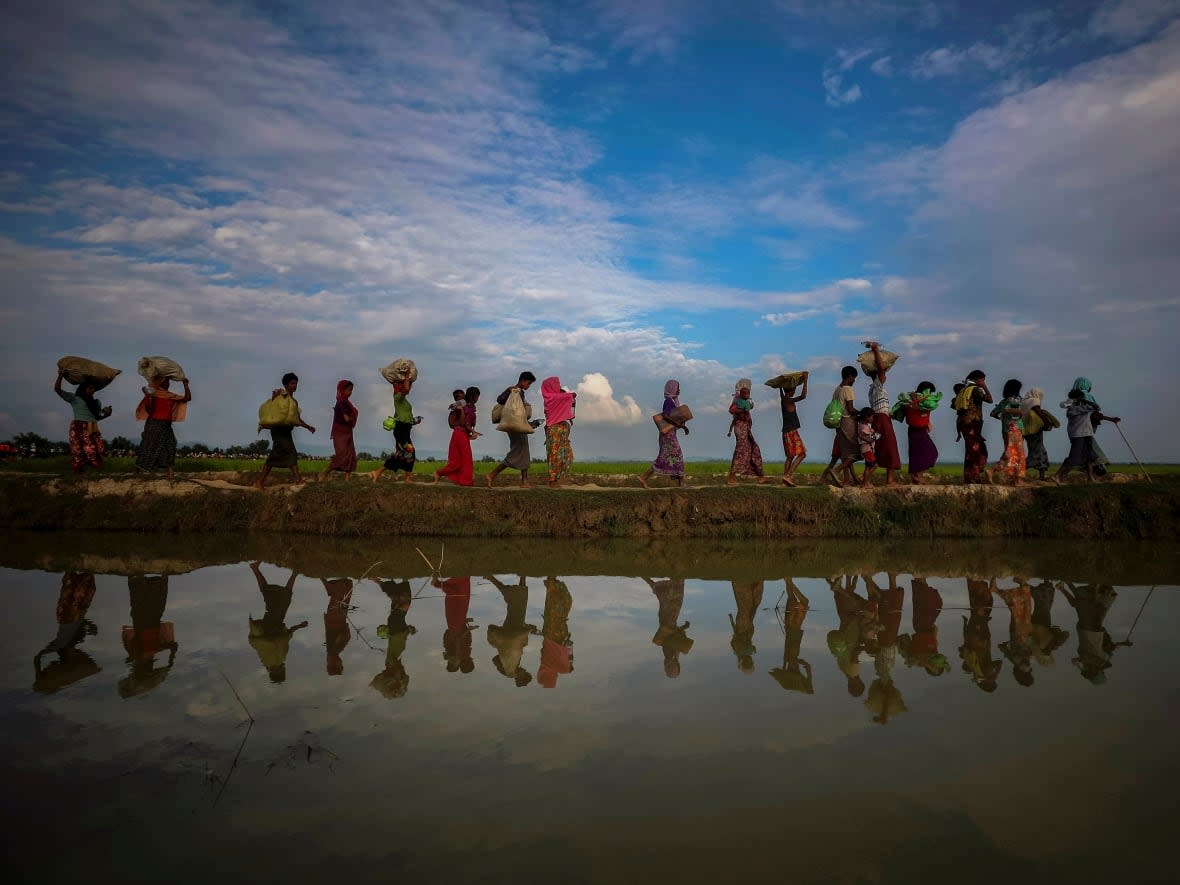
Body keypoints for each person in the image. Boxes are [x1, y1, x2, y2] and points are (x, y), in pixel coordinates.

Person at [34, 572, 101, 694]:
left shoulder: (62, 643)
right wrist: (90, 625)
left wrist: (39, 670)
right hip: (74, 611)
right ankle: (77, 572)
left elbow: (37, 658)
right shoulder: (72, 641)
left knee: (76, 589)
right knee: (82, 588)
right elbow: (80, 621)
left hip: (69, 613)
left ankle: (75, 572)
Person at [119, 574, 179, 698]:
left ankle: (143, 579)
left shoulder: (145, 652)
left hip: (147, 621)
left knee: (146, 602)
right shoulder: (142, 653)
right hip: (146, 621)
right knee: (144, 601)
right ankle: (139, 579)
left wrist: (172, 656)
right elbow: (173, 647)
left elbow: (173, 648)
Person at [247, 563, 308, 683]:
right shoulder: (275, 660)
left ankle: (294, 572)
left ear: (277, 671)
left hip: (271, 624)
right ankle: (256, 569)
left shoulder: (273, 660)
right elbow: (287, 636)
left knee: (283, 597)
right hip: (275, 622)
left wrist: (273, 638)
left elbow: (277, 640)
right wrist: (300, 626)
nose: (283, 668)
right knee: (277, 597)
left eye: (282, 671)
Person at [1059, 582, 1128, 685]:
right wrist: (1123, 644)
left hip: (1088, 629)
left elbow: (1078, 660)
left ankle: (1092, 587)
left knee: (1083, 605)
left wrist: (1082, 666)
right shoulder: (1099, 661)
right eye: (1093, 674)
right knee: (1083, 606)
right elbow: (1110, 650)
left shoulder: (1088, 660)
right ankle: (1092, 587)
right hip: (1091, 629)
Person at [255, 373, 316, 489]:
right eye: (292, 383)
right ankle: (298, 479)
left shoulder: (294, 401)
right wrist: (275, 395)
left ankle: (259, 482)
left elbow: (296, 419)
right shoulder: (280, 396)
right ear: (285, 385)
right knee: (291, 452)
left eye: (296, 383)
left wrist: (308, 427)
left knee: (275, 455)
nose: (295, 385)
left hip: (287, 431)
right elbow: (273, 409)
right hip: (278, 431)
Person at [1054, 383, 1120, 483]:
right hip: (1078, 435)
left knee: (1089, 456)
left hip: (1086, 433)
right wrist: (1081, 400)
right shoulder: (1075, 408)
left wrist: (1080, 400)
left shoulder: (1079, 406)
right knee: (1074, 457)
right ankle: (1057, 476)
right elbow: (1096, 407)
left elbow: (1095, 409)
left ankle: (1090, 478)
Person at [487, 372, 542, 487]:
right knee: (519, 451)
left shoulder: (518, 392)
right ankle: (493, 474)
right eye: (529, 383)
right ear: (523, 380)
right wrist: (509, 390)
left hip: (515, 425)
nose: (529, 386)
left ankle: (524, 480)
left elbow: (517, 413)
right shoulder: (515, 391)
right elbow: (500, 400)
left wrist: (528, 424)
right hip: (515, 427)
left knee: (523, 451)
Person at [54, 368, 112, 474]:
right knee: (78, 449)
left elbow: (97, 417)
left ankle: (92, 470)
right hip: (78, 426)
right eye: (90, 388)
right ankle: (79, 471)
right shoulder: (75, 399)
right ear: (83, 388)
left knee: (95, 449)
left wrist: (107, 414)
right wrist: (60, 376)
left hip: (92, 426)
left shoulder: (96, 403)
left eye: (93, 388)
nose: (92, 390)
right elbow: (58, 390)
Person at [485, 574, 538, 686]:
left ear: (521, 676)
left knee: (518, 604)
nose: (524, 669)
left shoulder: (512, 666)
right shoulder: (508, 670)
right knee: (517, 606)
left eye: (525, 672)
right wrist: (502, 650)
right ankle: (521, 577)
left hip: (511, 634)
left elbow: (515, 640)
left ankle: (521, 576)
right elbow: (495, 659)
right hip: (503, 633)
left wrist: (529, 630)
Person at [134, 375, 191, 479]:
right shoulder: (152, 394)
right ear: (160, 382)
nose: (168, 384)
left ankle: (170, 471)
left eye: (169, 382)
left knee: (171, 444)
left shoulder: (169, 395)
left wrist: (185, 385)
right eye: (166, 381)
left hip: (166, 425)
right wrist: (150, 396)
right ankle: (137, 470)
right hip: (154, 424)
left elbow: (187, 398)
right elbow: (150, 410)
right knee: (148, 446)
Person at [862, 342, 901, 486]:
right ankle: (889, 480)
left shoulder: (873, 389)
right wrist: (875, 349)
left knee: (878, 448)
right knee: (890, 447)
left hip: (880, 419)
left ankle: (866, 480)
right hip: (881, 420)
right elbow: (882, 369)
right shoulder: (877, 386)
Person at [370, 375, 421, 484]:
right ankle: (379, 472)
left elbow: (402, 416)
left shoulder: (403, 401)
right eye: (408, 385)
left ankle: (380, 473)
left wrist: (414, 421)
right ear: (401, 386)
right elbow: (406, 389)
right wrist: (407, 376)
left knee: (402, 453)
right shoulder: (397, 396)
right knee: (409, 451)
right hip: (401, 430)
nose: (410, 387)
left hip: (404, 429)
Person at [639, 379, 689, 488]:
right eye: (677, 388)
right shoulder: (669, 401)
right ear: (672, 389)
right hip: (668, 435)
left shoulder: (673, 401)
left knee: (667, 457)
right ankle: (681, 482)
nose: (679, 390)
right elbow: (667, 415)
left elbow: (673, 418)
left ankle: (644, 478)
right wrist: (678, 423)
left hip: (670, 433)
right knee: (677, 455)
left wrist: (682, 426)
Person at [371, 579, 415, 699]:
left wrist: (398, 679)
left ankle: (380, 581)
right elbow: (402, 640)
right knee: (400, 600)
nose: (402, 674)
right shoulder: (398, 657)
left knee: (403, 602)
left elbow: (395, 664)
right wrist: (409, 630)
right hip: (399, 628)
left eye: (399, 675)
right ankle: (401, 580)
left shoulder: (391, 662)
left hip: (395, 626)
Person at [898, 576, 950, 676]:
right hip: (928, 624)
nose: (935, 666)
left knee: (925, 601)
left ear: (929, 669)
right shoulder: (934, 653)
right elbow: (935, 632)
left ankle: (919, 576)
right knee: (934, 602)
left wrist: (928, 664)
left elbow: (912, 657)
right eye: (938, 668)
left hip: (921, 625)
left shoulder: (918, 661)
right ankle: (921, 577)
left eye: (934, 669)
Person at [644, 577, 693, 678]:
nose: (676, 666)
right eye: (676, 668)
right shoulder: (673, 655)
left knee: (671, 597)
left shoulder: (669, 654)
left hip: (668, 619)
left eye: (674, 668)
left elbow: (671, 637)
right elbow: (674, 636)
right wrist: (683, 628)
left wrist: (683, 628)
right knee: (664, 598)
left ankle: (676, 578)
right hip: (669, 619)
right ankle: (648, 579)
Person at [769, 579, 812, 693]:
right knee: (791, 598)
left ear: (795, 670)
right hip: (789, 627)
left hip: (795, 628)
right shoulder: (787, 658)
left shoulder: (792, 657)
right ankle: (787, 578)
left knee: (804, 601)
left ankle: (789, 580)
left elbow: (808, 666)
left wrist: (801, 663)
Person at [960, 578, 1002, 692]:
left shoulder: (986, 672)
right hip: (973, 633)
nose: (994, 679)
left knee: (982, 605)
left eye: (993, 682)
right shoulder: (975, 670)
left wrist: (995, 674)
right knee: (978, 606)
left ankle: (977, 577)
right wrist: (964, 625)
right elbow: (966, 646)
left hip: (980, 635)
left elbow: (999, 663)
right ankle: (974, 578)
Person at [434, 386, 481, 486]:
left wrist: (471, 433)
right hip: (459, 434)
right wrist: (473, 431)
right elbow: (462, 422)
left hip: (462, 434)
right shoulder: (462, 405)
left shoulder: (470, 407)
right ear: (474, 396)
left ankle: (441, 473)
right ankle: (465, 481)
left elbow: (469, 422)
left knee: (460, 461)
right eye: (477, 396)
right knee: (464, 460)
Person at [953, 370, 994, 484]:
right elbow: (990, 400)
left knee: (972, 450)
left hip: (965, 424)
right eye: (982, 380)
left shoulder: (963, 391)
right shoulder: (975, 390)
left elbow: (959, 412)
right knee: (975, 451)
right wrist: (984, 387)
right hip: (973, 424)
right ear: (977, 379)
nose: (983, 382)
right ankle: (973, 477)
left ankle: (970, 477)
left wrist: (958, 430)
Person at [821, 366, 859, 487]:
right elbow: (850, 409)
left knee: (845, 453)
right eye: (854, 378)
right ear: (850, 377)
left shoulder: (837, 390)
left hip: (839, 423)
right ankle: (836, 471)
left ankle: (847, 480)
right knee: (855, 452)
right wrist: (862, 413)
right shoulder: (848, 389)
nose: (854, 381)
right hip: (848, 422)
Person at [727, 379, 767, 485]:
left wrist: (747, 406)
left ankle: (760, 475)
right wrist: (743, 409)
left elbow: (751, 406)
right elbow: (731, 410)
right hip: (740, 426)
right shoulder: (737, 399)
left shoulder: (747, 400)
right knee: (741, 449)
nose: (748, 393)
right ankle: (732, 476)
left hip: (746, 427)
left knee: (752, 448)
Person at [900, 381, 940, 484]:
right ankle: (917, 476)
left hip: (920, 430)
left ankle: (917, 476)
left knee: (923, 453)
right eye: (930, 392)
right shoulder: (911, 399)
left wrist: (928, 423)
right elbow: (916, 409)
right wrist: (915, 399)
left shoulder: (925, 401)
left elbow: (924, 412)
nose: (930, 395)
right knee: (924, 453)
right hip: (916, 430)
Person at [537, 576, 573, 688]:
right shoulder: (545, 664)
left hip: (556, 633)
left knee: (559, 604)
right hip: (553, 632)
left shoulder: (557, 667)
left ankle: (552, 581)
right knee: (556, 605)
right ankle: (552, 581)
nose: (556, 677)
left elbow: (569, 668)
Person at [541, 376, 576, 487]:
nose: (559, 386)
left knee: (565, 455)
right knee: (554, 455)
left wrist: (564, 395)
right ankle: (552, 481)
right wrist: (568, 395)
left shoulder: (555, 397)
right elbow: (572, 395)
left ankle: (556, 479)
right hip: (555, 431)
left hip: (560, 430)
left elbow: (565, 401)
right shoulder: (551, 397)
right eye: (557, 384)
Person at [436, 575, 475, 674]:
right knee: (460, 597)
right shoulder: (461, 654)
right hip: (456, 624)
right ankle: (461, 577)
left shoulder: (460, 655)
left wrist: (466, 630)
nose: (471, 660)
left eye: (470, 662)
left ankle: (439, 583)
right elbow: (448, 636)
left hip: (455, 625)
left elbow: (458, 639)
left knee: (456, 597)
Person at [323, 379, 358, 481]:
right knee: (342, 455)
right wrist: (353, 415)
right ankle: (325, 473)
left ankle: (347, 478)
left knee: (350, 454)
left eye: (351, 390)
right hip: (341, 431)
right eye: (348, 390)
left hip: (346, 431)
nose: (350, 392)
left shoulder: (346, 403)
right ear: (342, 390)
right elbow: (347, 418)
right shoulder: (342, 403)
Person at [779, 374, 808, 487]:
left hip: (786, 432)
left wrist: (780, 387)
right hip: (791, 432)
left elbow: (782, 394)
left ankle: (784, 481)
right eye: (794, 387)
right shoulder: (788, 400)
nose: (796, 389)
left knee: (790, 457)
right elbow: (803, 396)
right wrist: (805, 381)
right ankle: (788, 476)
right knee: (802, 454)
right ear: (791, 390)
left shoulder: (784, 399)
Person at [729, 580, 764, 672]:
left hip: (743, 625)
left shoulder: (738, 651)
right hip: (746, 624)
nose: (750, 661)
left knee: (748, 605)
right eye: (750, 663)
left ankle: (748, 583)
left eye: (748, 663)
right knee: (752, 604)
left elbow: (736, 640)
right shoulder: (740, 651)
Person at [321, 577, 353, 676]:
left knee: (339, 597)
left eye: (340, 665)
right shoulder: (334, 651)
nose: (341, 662)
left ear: (335, 664)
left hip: (335, 618)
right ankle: (332, 584)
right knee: (342, 597)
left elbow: (345, 635)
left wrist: (344, 633)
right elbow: (345, 635)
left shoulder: (334, 651)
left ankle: (324, 579)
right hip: (336, 618)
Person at [1021, 388, 1053, 481]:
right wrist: (1047, 422)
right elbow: (1038, 411)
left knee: (1033, 450)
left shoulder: (1023, 402)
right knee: (1040, 451)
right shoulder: (1035, 400)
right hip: (1034, 430)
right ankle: (1040, 476)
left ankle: (1021, 471)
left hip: (1026, 430)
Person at [856, 407, 879, 486]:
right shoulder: (864, 427)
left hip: (867, 449)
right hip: (867, 449)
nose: (873, 418)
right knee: (874, 465)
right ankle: (864, 481)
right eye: (872, 416)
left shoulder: (863, 425)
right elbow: (864, 437)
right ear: (867, 417)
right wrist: (874, 437)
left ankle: (864, 482)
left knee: (867, 467)